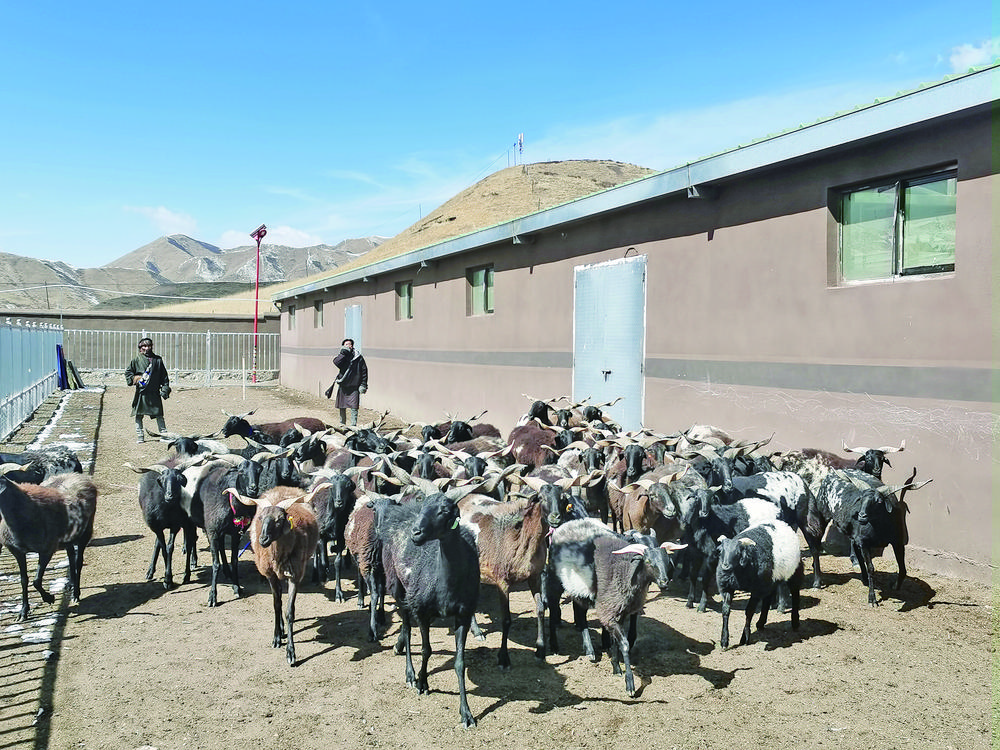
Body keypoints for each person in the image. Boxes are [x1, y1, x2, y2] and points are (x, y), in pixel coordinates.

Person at [125, 337, 171, 443]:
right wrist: (135, 379)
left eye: (149, 346)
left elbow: (164, 377)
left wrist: (165, 389)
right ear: (140, 348)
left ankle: (164, 435)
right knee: (138, 415)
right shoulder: (136, 360)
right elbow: (128, 373)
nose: (147, 348)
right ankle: (140, 436)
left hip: (154, 392)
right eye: (144, 346)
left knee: (159, 414)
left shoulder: (158, 360)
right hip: (142, 393)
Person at [325, 338, 367, 426]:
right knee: (342, 406)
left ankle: (353, 425)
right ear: (343, 346)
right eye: (346, 344)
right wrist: (343, 353)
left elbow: (364, 371)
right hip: (343, 385)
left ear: (352, 346)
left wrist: (363, 384)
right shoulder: (342, 356)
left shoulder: (358, 357)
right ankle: (342, 424)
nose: (349, 346)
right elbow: (336, 363)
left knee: (354, 407)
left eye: (350, 344)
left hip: (354, 386)